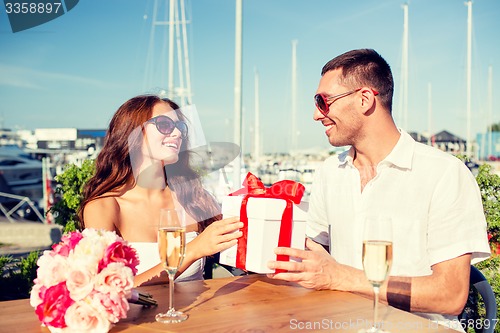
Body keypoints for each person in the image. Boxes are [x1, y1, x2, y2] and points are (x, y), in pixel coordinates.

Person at [267, 49, 490, 330]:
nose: (315, 115)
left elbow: (450, 294)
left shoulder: (444, 174)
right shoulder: (328, 173)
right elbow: (315, 254)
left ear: (364, 99)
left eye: (322, 102)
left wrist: (340, 277)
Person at [79, 95, 243, 286]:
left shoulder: (193, 198)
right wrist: (191, 251)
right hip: (141, 317)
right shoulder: (104, 208)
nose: (178, 134)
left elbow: (237, 254)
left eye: (181, 127)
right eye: (165, 125)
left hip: (201, 314)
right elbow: (106, 287)